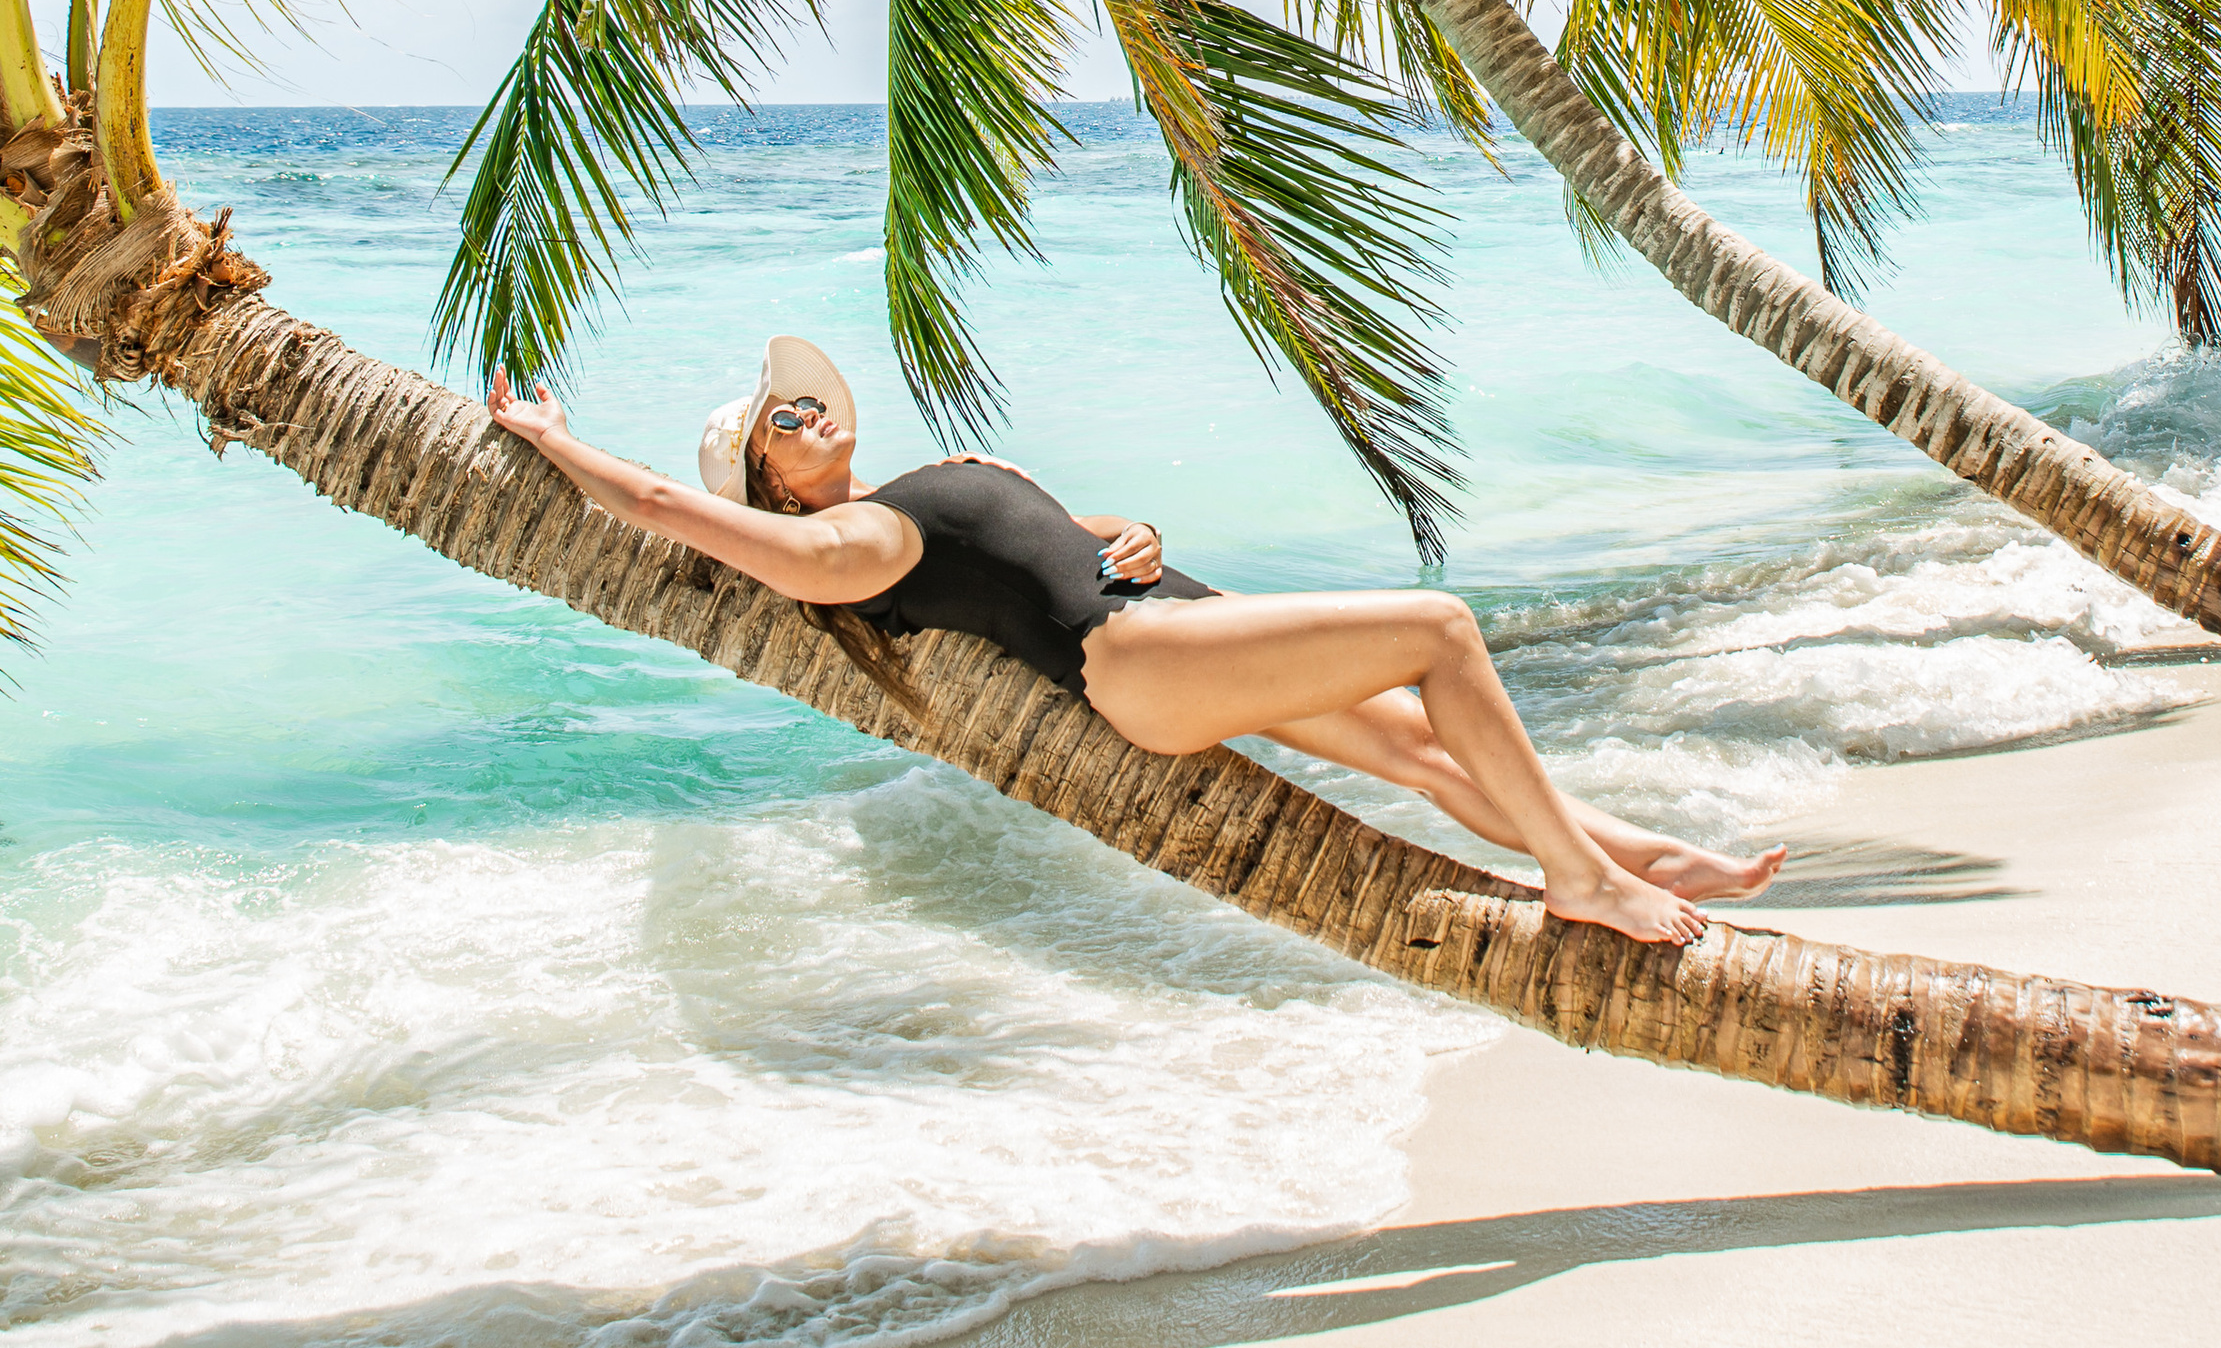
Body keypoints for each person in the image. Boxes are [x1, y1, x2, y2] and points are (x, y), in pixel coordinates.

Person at [486, 334, 1784, 948]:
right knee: (1440, 632)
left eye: (811, 399)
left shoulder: (893, 508)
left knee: (1434, 757)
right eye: (784, 420)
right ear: (767, 488)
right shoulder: (840, 549)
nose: (813, 412)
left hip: (1169, 620)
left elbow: (1058, 531)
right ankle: (1582, 878)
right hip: (1136, 664)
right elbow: (661, 508)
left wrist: (1139, 529)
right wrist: (554, 442)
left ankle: (1649, 857)